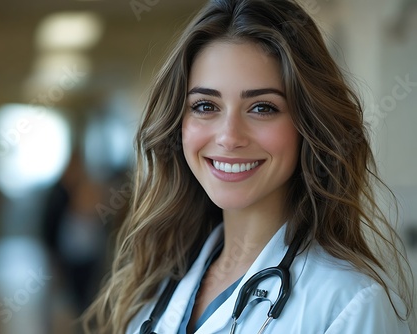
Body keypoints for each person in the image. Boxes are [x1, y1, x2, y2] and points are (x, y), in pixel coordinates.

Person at [82, 0, 415, 333]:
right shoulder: (159, 282)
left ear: (309, 125)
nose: (229, 137)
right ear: (178, 124)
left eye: (262, 108)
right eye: (205, 105)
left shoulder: (349, 304)